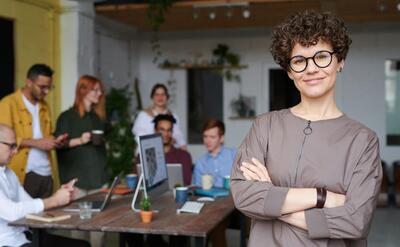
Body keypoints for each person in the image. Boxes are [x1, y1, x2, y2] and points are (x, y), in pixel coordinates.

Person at [231, 10, 382, 246]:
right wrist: (322, 197)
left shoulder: (362, 140)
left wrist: (272, 201)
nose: (311, 69)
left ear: (340, 61)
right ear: (290, 71)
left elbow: (356, 221)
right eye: (299, 61)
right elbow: (244, 195)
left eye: (321, 56)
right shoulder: (264, 127)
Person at [0, 124, 90, 247]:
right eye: (11, 146)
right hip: (9, 243)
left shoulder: (9, 173)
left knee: (82, 245)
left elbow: (31, 204)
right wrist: (54, 201)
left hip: (27, 237)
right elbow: (12, 212)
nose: (16, 151)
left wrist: (62, 196)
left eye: (15, 146)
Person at [54, 75, 108, 247]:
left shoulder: (97, 118)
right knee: (78, 232)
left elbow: (101, 152)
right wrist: (80, 140)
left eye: (100, 90)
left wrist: (106, 179)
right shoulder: (66, 117)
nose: (99, 94)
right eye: (95, 90)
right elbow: (58, 144)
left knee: (99, 231)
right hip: (76, 182)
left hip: (98, 181)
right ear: (83, 90)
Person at [0, 64, 67, 198]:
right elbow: (3, 139)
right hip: (24, 173)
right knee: (24, 217)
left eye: (49, 87)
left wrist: (55, 141)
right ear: (29, 82)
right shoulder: (8, 103)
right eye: (42, 87)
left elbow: (45, 137)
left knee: (47, 216)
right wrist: (37, 143)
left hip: (47, 173)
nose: (46, 91)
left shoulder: (45, 106)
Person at [132, 84, 187, 149]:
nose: (160, 97)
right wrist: (159, 139)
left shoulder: (173, 116)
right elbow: (138, 134)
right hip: (147, 150)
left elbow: (178, 135)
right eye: (157, 95)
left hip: (167, 152)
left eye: (163, 94)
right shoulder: (143, 115)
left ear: (167, 97)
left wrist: (183, 146)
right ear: (152, 97)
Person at [193, 119, 236, 188]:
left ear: (221, 138)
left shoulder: (234, 155)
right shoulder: (200, 162)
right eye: (205, 136)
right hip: (209, 198)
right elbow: (197, 188)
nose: (207, 141)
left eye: (212, 137)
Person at [153, 114, 192, 185]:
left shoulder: (184, 156)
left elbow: (186, 184)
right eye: (162, 130)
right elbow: (137, 186)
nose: (166, 134)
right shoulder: (142, 157)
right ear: (155, 131)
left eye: (169, 130)